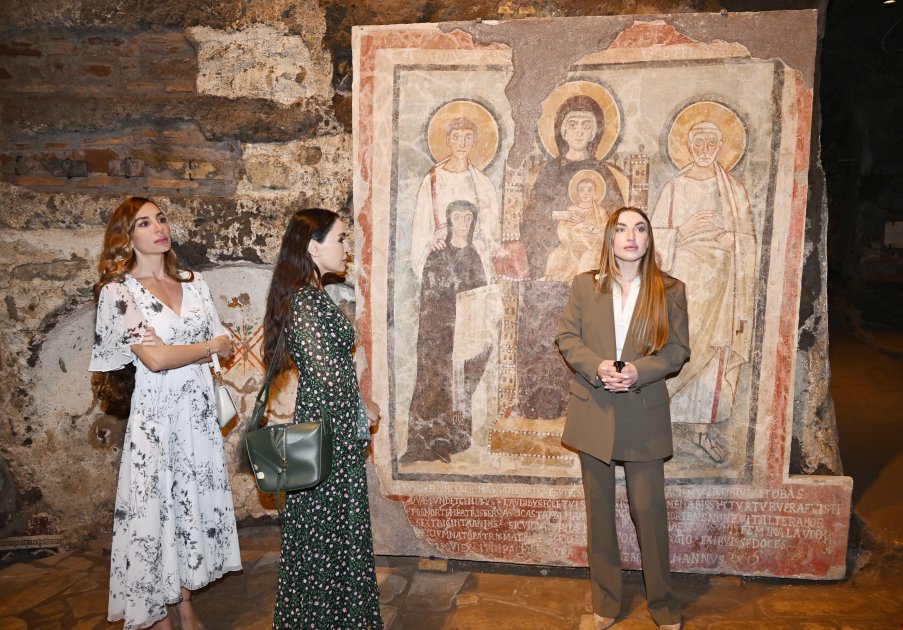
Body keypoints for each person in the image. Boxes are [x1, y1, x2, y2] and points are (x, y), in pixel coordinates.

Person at [89, 196, 241, 630]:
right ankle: (156, 612)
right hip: (156, 418)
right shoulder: (119, 292)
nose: (158, 228)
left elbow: (225, 340)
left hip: (198, 416)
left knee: (187, 510)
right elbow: (155, 360)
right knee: (155, 512)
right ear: (126, 237)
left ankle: (185, 603)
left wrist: (199, 347)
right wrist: (206, 347)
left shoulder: (195, 282)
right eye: (144, 223)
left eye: (161, 218)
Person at [556, 207, 689, 630]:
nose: (631, 236)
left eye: (640, 228)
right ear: (610, 238)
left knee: (648, 512)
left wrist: (638, 371)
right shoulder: (585, 285)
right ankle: (606, 604)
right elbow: (567, 337)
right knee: (599, 513)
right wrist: (596, 366)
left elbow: (677, 351)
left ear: (648, 238)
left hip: (643, 410)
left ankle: (663, 606)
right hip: (592, 408)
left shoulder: (670, 290)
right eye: (622, 228)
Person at [262, 208, 382, 629]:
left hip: (329, 427)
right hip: (328, 432)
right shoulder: (305, 302)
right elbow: (328, 380)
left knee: (328, 535)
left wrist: (357, 404)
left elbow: (329, 373)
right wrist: (362, 410)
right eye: (341, 239)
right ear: (313, 248)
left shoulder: (310, 296)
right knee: (324, 536)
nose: (347, 247)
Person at [650, 120, 756, 463]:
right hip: (683, 285)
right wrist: (683, 230)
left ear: (721, 146)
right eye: (699, 142)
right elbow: (653, 241)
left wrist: (732, 239)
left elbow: (750, 241)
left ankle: (701, 432)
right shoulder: (675, 187)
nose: (705, 149)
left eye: (712, 142)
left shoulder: (734, 190)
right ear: (689, 146)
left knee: (713, 355)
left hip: (722, 287)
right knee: (678, 349)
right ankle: (657, 426)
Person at [401, 200, 491, 465]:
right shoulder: (437, 254)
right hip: (436, 333)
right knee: (432, 382)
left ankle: (451, 439)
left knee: (458, 383)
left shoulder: (474, 256)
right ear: (449, 221)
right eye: (457, 217)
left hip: (464, 333)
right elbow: (428, 296)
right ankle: (426, 441)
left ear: (473, 222)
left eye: (467, 218)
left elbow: (480, 295)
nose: (462, 223)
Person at [410, 116, 500, 282]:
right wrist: (430, 246)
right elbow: (421, 227)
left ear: (474, 142)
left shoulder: (483, 183)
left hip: (472, 260)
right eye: (456, 137)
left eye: (468, 137)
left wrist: (478, 247)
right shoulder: (432, 179)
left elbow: (491, 230)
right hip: (441, 258)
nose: (462, 144)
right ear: (448, 140)